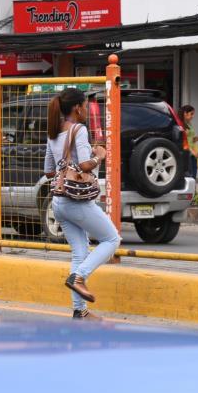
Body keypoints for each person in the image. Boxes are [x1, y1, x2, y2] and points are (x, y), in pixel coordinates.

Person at [45, 88, 121, 320]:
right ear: (77, 108)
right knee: (112, 239)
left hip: (58, 201)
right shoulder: (79, 130)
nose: (87, 109)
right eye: (86, 105)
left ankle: (80, 311)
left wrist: (65, 164)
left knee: (79, 252)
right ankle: (79, 278)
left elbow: (48, 171)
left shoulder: (54, 132)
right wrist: (100, 155)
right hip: (77, 201)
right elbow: (87, 166)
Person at [179, 105, 198, 178]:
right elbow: (182, 141)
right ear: (185, 113)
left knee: (194, 175)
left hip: (192, 154)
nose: (193, 116)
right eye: (191, 114)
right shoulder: (180, 125)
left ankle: (192, 189)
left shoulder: (189, 124)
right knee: (189, 176)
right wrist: (193, 152)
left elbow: (191, 140)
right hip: (186, 153)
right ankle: (190, 189)